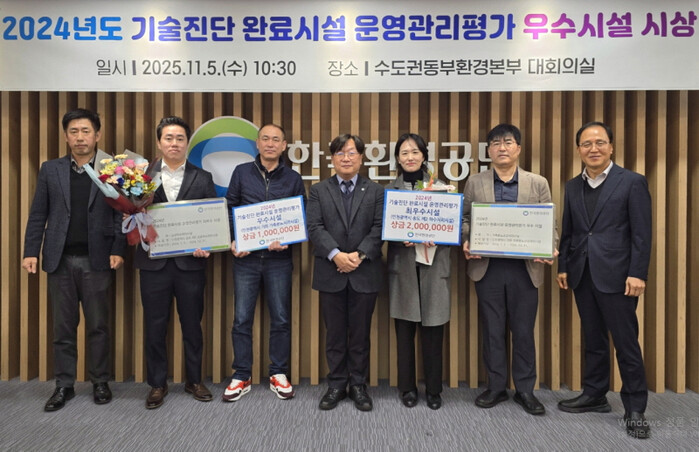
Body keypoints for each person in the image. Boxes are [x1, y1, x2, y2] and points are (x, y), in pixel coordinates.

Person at [22, 108, 125, 412]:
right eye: (74, 132)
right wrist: (31, 250)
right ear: (66, 136)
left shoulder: (112, 169)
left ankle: (100, 381)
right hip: (60, 260)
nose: (80, 137)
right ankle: (63, 385)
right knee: (63, 328)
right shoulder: (50, 169)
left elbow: (122, 213)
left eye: (86, 131)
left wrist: (118, 249)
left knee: (98, 326)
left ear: (97, 135)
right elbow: (38, 212)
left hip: (97, 259)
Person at [556, 121, 652, 439]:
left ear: (611, 146)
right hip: (582, 274)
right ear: (578, 150)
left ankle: (635, 408)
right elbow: (570, 231)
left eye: (599, 142)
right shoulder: (572, 186)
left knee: (626, 343)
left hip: (619, 276)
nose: (593, 149)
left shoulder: (632, 182)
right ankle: (595, 394)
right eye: (586, 144)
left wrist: (638, 273)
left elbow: (642, 234)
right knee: (593, 339)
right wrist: (564, 267)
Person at [462, 123, 556, 416]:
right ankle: (496, 386)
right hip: (487, 267)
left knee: (523, 331)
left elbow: (549, 222)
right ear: (488, 150)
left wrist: (549, 247)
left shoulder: (537, 182)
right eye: (495, 143)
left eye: (508, 142)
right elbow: (465, 218)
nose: (501, 148)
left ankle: (525, 389)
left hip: (525, 269)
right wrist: (467, 240)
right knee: (492, 329)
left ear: (518, 148)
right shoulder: (475, 182)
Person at [134, 116, 217, 409]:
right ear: (159, 142)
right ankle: (157, 383)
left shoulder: (202, 177)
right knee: (155, 326)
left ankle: (194, 380)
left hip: (190, 265)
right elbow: (128, 216)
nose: (174, 143)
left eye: (180, 138)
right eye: (168, 138)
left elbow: (211, 218)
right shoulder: (139, 176)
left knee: (192, 325)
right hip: (153, 263)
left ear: (187, 143)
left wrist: (207, 244)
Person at [222, 124, 306, 402]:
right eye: (265, 139)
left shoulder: (293, 178)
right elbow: (230, 207)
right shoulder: (241, 173)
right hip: (245, 259)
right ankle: (241, 374)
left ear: (284, 145)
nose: (270, 144)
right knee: (241, 319)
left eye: (276, 140)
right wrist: (234, 239)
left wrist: (288, 239)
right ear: (257, 143)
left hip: (278, 260)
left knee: (280, 318)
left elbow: (300, 216)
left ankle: (278, 372)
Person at [307, 134, 384, 412]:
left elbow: (379, 228)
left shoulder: (376, 191)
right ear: (332, 159)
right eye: (340, 153)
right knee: (335, 335)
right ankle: (337, 384)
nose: (346, 158)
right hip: (331, 271)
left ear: (361, 158)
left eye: (351, 153)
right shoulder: (318, 190)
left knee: (360, 335)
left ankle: (358, 385)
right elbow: (314, 227)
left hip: (365, 273)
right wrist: (336, 255)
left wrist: (358, 255)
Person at [386, 133, 450, 410]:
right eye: (404, 153)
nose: (410, 157)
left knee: (434, 331)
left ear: (424, 155)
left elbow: (453, 227)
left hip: (434, 267)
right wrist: (400, 237)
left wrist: (440, 235)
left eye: (415, 152)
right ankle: (407, 388)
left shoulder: (442, 189)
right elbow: (382, 230)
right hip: (403, 267)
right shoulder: (389, 191)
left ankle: (434, 390)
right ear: (397, 159)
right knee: (404, 333)